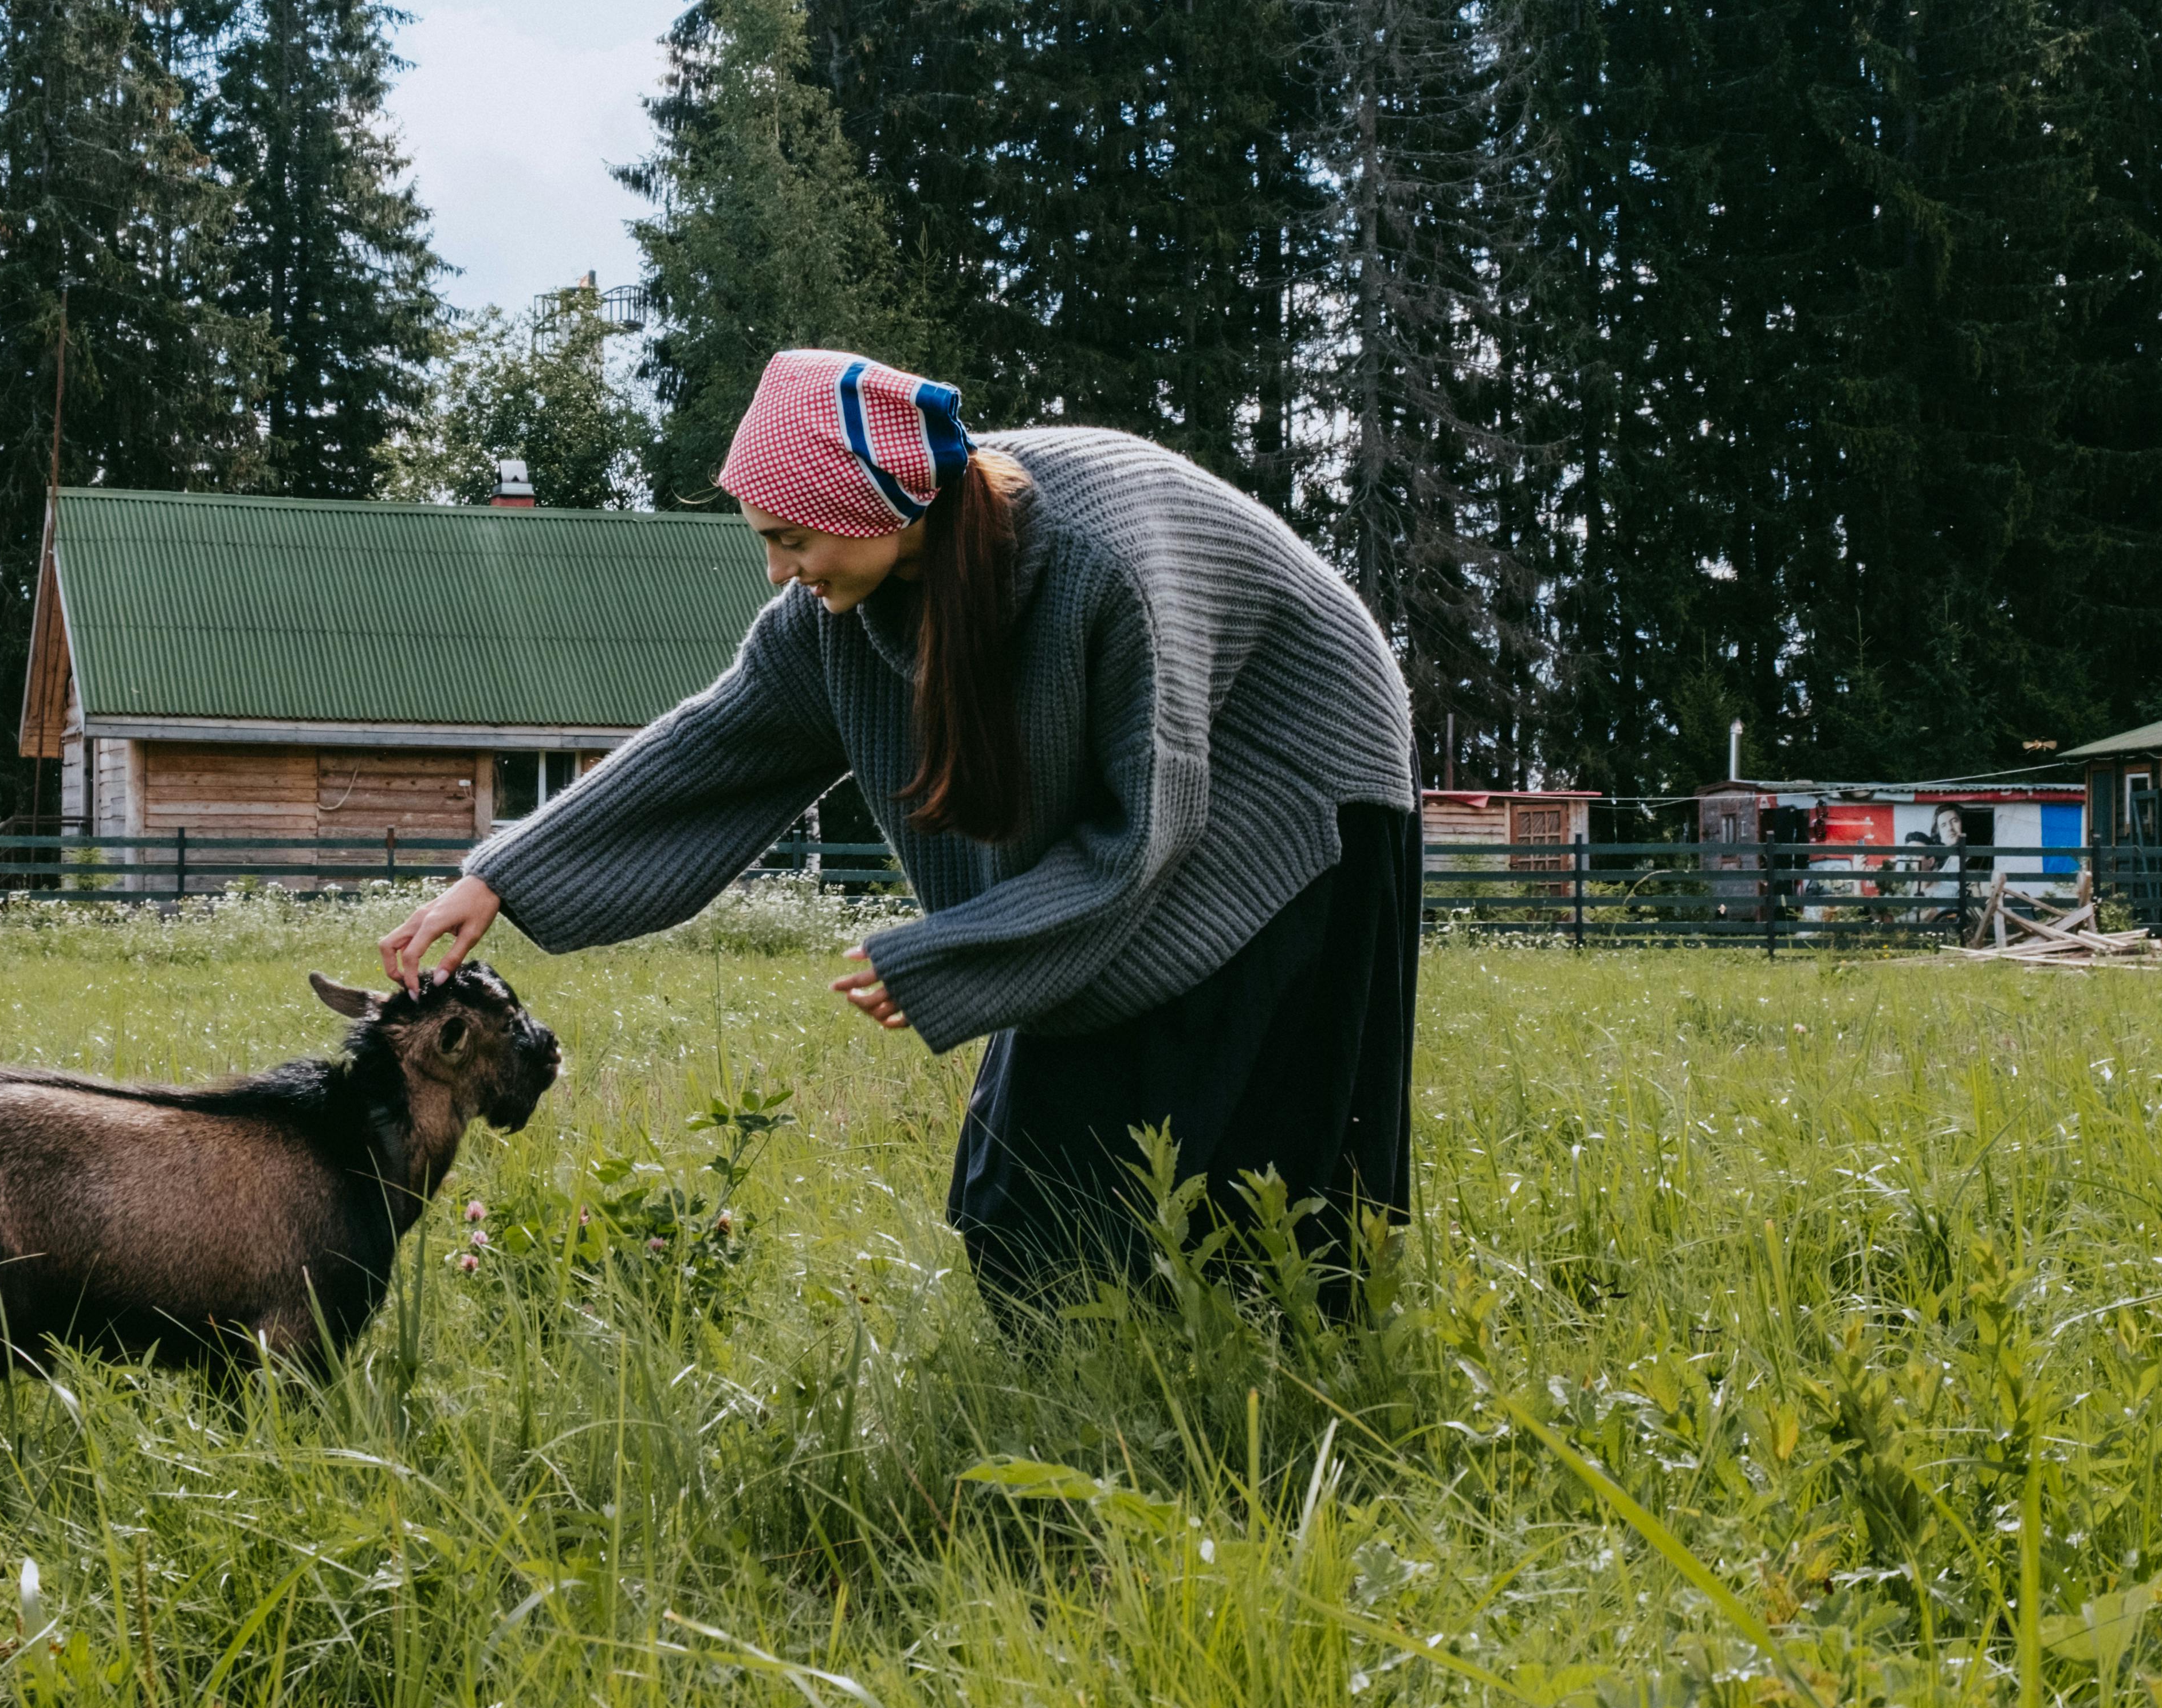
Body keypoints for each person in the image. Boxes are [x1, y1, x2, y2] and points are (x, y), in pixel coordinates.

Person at [376, 350, 1420, 1317]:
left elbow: (1145, 833)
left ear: (872, 503)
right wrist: (502, 876)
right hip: (1164, 807)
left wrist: (953, 952)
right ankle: (1095, 1354)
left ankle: (1270, 1364)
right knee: (1027, 1202)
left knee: (1254, 1143)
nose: (780, 573)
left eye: (792, 539)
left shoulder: (1102, 563)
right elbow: (719, 742)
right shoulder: (840, 611)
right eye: (766, 543)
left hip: (1292, 778)